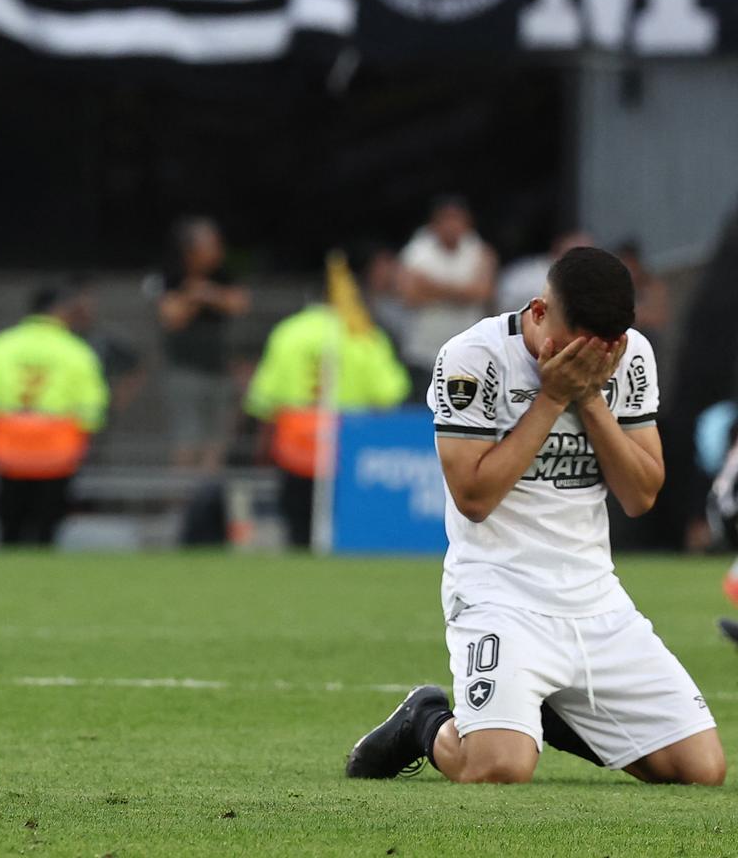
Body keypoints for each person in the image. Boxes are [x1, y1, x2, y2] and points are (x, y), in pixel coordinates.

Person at [345, 247, 724, 787]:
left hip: (596, 601)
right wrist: (550, 399)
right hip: (499, 596)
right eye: (578, 344)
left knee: (700, 771)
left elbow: (641, 495)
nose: (594, 355)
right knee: (499, 768)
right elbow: (474, 499)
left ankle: (540, 709)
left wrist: (590, 399)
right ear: (539, 311)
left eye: (608, 345)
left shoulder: (631, 356)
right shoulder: (473, 357)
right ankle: (424, 720)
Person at [244, 251, 409, 549]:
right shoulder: (364, 334)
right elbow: (391, 395)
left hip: (295, 447)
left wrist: (263, 449)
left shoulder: (288, 332)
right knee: (346, 536)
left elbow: (264, 400)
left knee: (298, 534)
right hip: (349, 448)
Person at [0, 285, 108, 547]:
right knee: (47, 531)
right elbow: (92, 409)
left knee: (10, 528)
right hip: (57, 449)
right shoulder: (77, 351)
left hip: (9, 446)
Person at [154, 217, 250, 472]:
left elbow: (239, 304)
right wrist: (194, 296)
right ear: (190, 249)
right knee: (187, 439)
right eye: (210, 245)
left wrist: (206, 292)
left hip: (220, 369)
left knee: (217, 441)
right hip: (185, 370)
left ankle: (206, 502)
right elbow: (171, 317)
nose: (217, 251)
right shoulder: (171, 275)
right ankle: (182, 503)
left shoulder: (222, 275)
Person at [398, 196, 497, 398]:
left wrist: (431, 286)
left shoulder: (480, 251)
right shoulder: (416, 251)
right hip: (423, 354)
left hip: (468, 354)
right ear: (435, 224)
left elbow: (484, 292)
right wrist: (463, 291)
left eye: (457, 220)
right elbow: (410, 296)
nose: (452, 226)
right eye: (446, 220)